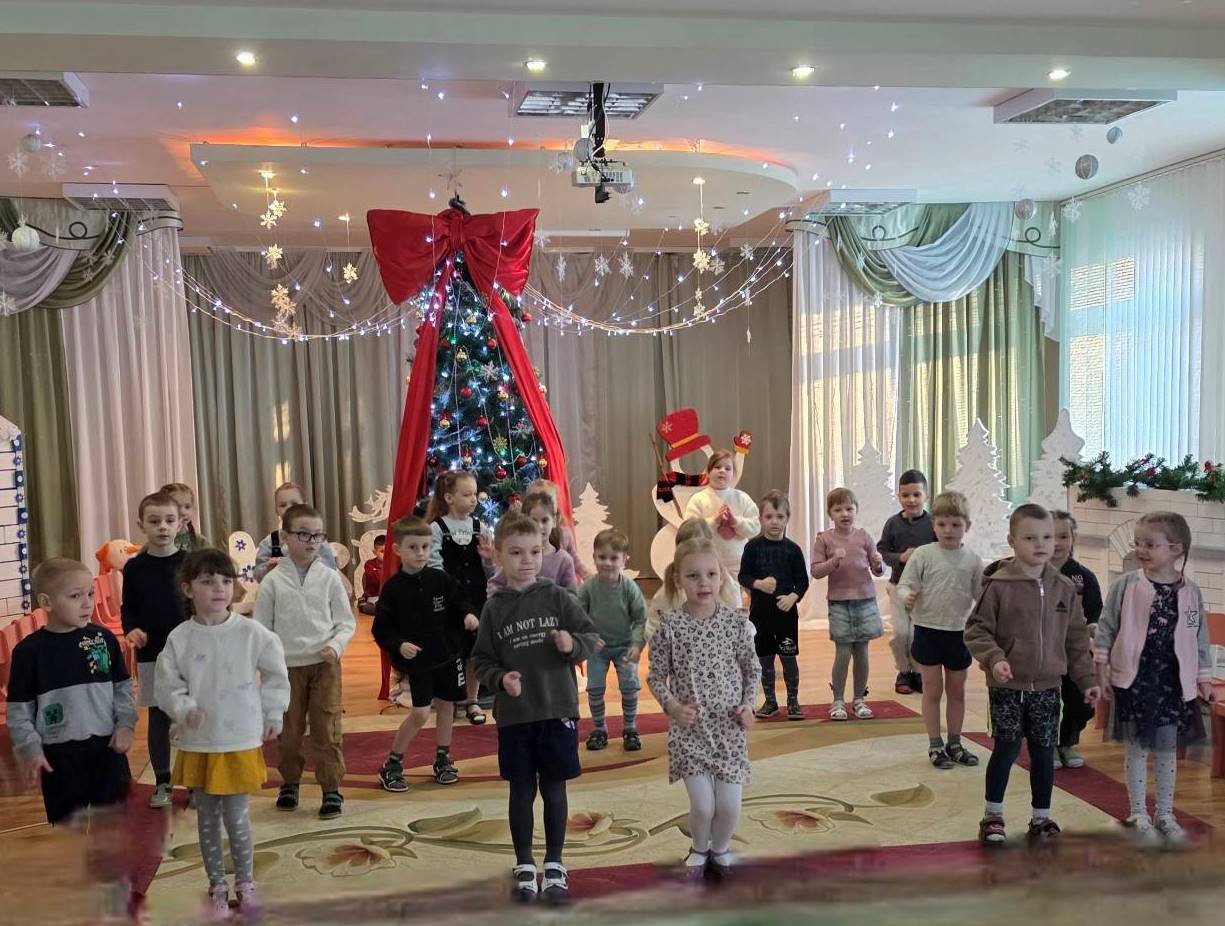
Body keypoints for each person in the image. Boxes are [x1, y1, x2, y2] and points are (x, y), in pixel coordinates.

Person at [472, 512, 600, 905]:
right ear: (499, 556)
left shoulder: (557, 597)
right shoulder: (494, 609)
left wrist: (571, 646)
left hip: (557, 710)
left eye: (534, 551)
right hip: (515, 717)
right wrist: (500, 680)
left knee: (555, 788)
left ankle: (555, 862)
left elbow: (590, 636)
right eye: (516, 552)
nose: (527, 560)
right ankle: (525, 863)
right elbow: (481, 660)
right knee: (522, 790)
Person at [156, 549, 290, 919]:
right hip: (200, 742)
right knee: (207, 818)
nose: (219, 588)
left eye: (225, 581)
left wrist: (273, 711)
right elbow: (166, 684)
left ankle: (245, 883)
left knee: (237, 817)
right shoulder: (179, 638)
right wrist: (183, 707)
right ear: (188, 589)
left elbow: (276, 672)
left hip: (239, 739)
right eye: (207, 581)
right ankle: (216, 884)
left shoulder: (251, 632)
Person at [7, 558, 137, 921]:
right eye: (75, 596)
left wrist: (126, 726)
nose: (87, 603)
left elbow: (123, 689)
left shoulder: (102, 639)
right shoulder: (29, 652)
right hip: (59, 756)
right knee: (69, 830)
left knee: (113, 823)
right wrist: (30, 750)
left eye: (90, 594)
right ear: (47, 602)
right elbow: (19, 710)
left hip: (106, 748)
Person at [965, 504, 1099, 847]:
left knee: (1043, 752)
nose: (1041, 545)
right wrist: (995, 659)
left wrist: (1086, 680)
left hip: (1049, 687)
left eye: (1047, 537)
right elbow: (977, 631)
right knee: (1007, 749)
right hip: (1007, 686)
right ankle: (992, 816)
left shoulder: (1064, 588)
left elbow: (1076, 640)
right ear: (1012, 541)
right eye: (1030, 538)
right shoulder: (998, 585)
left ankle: (1041, 817)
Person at [1094, 510, 1214, 850]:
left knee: (1166, 749)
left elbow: (1198, 637)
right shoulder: (1126, 586)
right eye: (1138, 543)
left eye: (1150, 544)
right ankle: (1137, 813)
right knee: (1137, 748)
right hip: (1136, 681)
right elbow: (1106, 627)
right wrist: (1101, 668)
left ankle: (1165, 814)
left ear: (1175, 549)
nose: (1140, 550)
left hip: (1173, 684)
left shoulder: (1191, 592)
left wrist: (1203, 679)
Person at [648, 537, 760, 883]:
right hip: (690, 734)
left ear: (722, 576)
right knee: (703, 806)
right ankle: (698, 848)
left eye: (711, 574)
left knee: (729, 807)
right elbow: (655, 677)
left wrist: (749, 705)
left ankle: (720, 849)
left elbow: (752, 669)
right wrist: (672, 706)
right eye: (693, 575)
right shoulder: (670, 626)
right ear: (679, 579)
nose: (704, 582)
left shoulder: (736, 623)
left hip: (729, 731)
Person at [254, 503, 355, 820]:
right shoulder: (272, 581)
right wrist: (267, 664)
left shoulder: (330, 578)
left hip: (325, 665)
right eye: (303, 534)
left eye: (318, 535)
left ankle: (331, 788)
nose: (312, 541)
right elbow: (261, 628)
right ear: (285, 537)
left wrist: (336, 646)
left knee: (327, 727)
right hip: (285, 669)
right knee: (289, 731)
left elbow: (345, 622)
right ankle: (290, 783)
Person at [372, 516, 478, 791]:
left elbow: (461, 600)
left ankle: (443, 759)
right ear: (397, 550)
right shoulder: (393, 589)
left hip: (449, 656)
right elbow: (381, 629)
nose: (421, 553)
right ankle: (392, 764)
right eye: (413, 547)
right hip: (420, 664)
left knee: (448, 707)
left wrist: (467, 614)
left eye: (426, 547)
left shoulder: (441, 580)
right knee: (419, 713)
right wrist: (399, 644)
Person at [896, 490, 982, 769]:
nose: (948, 530)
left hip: (959, 634)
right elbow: (903, 585)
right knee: (932, 691)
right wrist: (907, 596)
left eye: (956, 524)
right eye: (942, 524)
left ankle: (955, 743)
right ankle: (935, 744)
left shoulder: (973, 560)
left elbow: (982, 596)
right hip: (927, 631)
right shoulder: (923, 555)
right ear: (933, 525)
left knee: (957, 692)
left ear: (967, 526)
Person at [121, 490, 187, 808]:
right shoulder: (134, 568)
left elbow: (200, 604)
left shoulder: (189, 562)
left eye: (169, 520)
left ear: (180, 524)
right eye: (154, 521)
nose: (162, 527)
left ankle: (198, 780)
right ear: (141, 525)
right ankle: (163, 781)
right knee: (159, 716)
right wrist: (131, 629)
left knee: (191, 714)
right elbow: (128, 608)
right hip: (152, 653)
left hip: (189, 652)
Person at [426, 471, 496, 725]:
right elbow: (434, 567)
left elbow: (490, 570)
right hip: (450, 601)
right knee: (451, 650)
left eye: (475, 494)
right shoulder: (437, 528)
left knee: (474, 652)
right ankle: (451, 698)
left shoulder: (480, 528)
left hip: (477, 599)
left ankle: (472, 699)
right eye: (467, 494)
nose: (474, 499)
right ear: (449, 498)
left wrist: (489, 559)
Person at [809, 488, 885, 722]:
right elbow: (816, 571)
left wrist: (878, 564)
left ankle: (859, 699)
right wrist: (834, 561)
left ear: (856, 510)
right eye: (838, 509)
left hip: (865, 600)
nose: (844, 513)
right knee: (843, 652)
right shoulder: (824, 538)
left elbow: (877, 570)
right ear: (830, 513)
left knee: (862, 652)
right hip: (839, 603)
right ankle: (838, 700)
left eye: (849, 508)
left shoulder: (864, 536)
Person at [737, 490, 809, 720]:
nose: (774, 522)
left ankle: (793, 702)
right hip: (760, 615)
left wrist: (793, 597)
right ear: (760, 519)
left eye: (780, 517)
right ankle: (770, 702)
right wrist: (758, 584)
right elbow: (743, 576)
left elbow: (803, 581)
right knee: (764, 659)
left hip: (786, 617)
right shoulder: (752, 547)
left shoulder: (793, 550)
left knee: (788, 658)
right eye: (769, 517)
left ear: (787, 518)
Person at [577, 528, 648, 752]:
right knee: (595, 688)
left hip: (625, 646)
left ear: (624, 560)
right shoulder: (588, 588)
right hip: (598, 648)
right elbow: (578, 616)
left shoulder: (629, 588)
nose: (607, 563)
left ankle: (630, 728)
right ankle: (599, 729)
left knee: (629, 686)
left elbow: (641, 618)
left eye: (614, 558)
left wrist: (636, 644)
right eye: (602, 557)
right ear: (594, 557)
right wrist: (588, 638)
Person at [1050, 510, 1103, 770]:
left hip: (1076, 651)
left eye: (1063, 536)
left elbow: (1096, 610)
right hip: (1042, 651)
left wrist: (1093, 625)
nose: (1057, 543)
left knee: (1082, 700)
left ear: (1074, 538)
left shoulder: (1084, 577)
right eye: (1050, 536)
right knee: (1046, 700)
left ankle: (1067, 742)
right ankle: (1047, 744)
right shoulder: (1031, 573)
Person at [877, 470, 935, 695]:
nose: (911, 500)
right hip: (897, 587)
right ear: (899, 496)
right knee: (901, 633)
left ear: (926, 495)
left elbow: (943, 550)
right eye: (906, 495)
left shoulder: (933, 523)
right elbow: (883, 551)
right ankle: (903, 670)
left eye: (916, 495)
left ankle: (918, 673)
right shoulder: (892, 524)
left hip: (924, 591)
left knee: (917, 635)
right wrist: (900, 557)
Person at [646, 518, 741, 643]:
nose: (703, 582)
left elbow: (738, 626)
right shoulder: (668, 593)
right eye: (688, 548)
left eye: (702, 546)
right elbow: (653, 629)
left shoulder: (727, 587)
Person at [683, 450, 760, 601]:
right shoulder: (698, 499)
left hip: (736, 563)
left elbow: (756, 526)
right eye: (717, 467)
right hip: (706, 564)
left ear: (733, 474)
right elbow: (689, 531)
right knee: (708, 602)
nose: (722, 471)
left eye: (727, 468)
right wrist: (713, 521)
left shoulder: (742, 498)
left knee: (734, 602)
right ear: (708, 472)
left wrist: (736, 522)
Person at [487, 491, 578, 595]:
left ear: (554, 521)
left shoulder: (564, 560)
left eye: (544, 520)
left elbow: (572, 596)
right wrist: (506, 600)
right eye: (534, 521)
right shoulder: (515, 557)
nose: (539, 526)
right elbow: (495, 584)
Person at [253, 482, 338, 581]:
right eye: (283, 505)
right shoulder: (271, 541)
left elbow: (330, 568)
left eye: (294, 504)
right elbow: (258, 574)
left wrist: (310, 564)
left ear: (305, 506)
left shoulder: (317, 539)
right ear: (276, 510)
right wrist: (268, 569)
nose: (289, 508)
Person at [527, 478, 591, 582]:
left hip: (562, 585)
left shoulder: (565, 534)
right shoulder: (525, 538)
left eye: (548, 501)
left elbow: (574, 559)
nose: (542, 506)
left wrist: (588, 576)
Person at [160, 482, 214, 552]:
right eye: (177, 507)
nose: (183, 512)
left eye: (187, 507)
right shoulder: (157, 540)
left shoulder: (200, 541)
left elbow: (213, 558)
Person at [358, 534, 387, 616]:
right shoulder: (369, 564)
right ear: (375, 552)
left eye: (388, 551)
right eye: (382, 551)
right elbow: (377, 579)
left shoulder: (393, 564)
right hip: (374, 596)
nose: (385, 555)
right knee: (376, 607)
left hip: (388, 597)